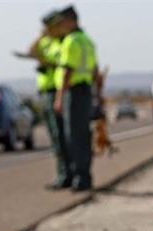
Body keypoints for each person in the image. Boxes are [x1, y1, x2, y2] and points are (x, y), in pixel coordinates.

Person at [14, 10, 72, 190]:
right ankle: (63, 173)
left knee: (62, 136)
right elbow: (31, 51)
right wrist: (41, 36)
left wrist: (46, 62)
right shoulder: (46, 41)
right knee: (56, 137)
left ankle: (67, 175)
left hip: (57, 90)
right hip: (45, 92)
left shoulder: (61, 42)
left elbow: (63, 64)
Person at [53, 6, 102, 191]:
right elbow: (96, 70)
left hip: (73, 92)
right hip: (86, 91)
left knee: (73, 136)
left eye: (62, 22)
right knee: (83, 135)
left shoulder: (71, 41)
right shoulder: (87, 40)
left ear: (71, 21)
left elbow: (67, 71)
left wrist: (59, 97)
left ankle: (79, 177)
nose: (61, 26)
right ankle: (84, 176)